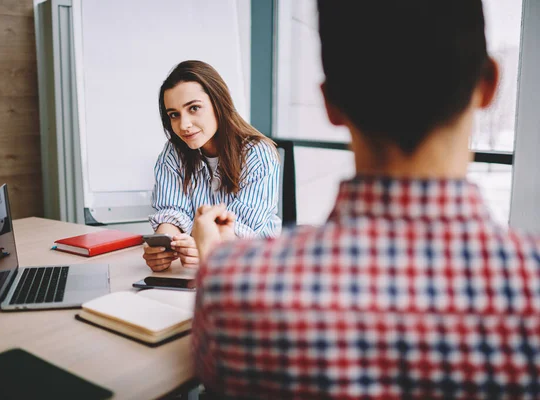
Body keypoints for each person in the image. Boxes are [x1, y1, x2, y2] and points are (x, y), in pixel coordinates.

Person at [191, 0, 540, 398]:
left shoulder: (230, 285)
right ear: (489, 84)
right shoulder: (532, 283)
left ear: (330, 103)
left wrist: (212, 257)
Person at [144, 60, 281, 272]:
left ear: (218, 102)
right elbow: (172, 212)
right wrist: (163, 247)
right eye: (174, 114)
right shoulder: (173, 153)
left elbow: (243, 230)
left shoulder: (258, 154)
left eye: (194, 108)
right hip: (194, 272)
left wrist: (206, 249)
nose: (184, 125)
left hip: (255, 268)